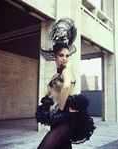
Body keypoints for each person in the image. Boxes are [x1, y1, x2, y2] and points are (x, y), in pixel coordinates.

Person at [36, 18, 96, 149]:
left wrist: (60, 109)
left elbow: (67, 86)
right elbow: (47, 94)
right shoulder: (55, 76)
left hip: (65, 120)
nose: (64, 59)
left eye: (67, 56)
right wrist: (46, 107)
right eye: (61, 55)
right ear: (55, 57)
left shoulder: (66, 72)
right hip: (56, 121)